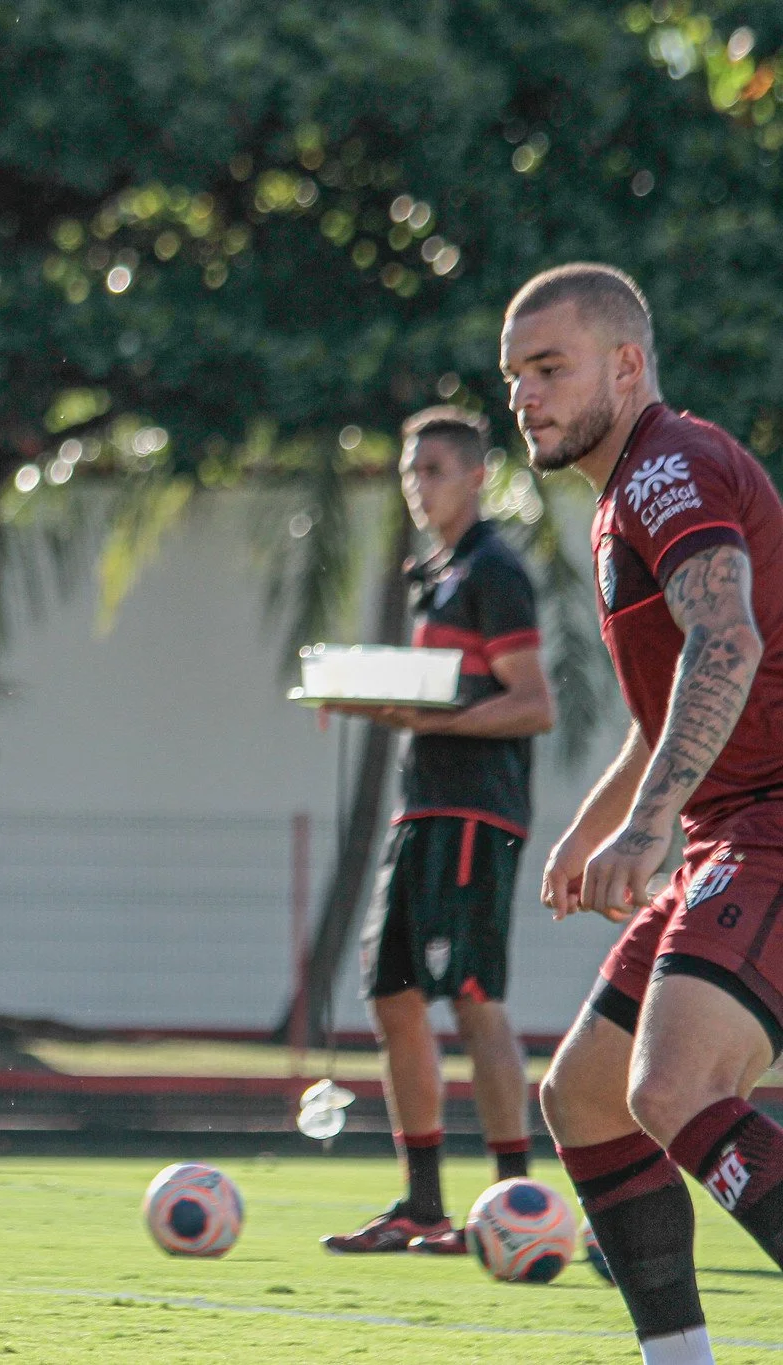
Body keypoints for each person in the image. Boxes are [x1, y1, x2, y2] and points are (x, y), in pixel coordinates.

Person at [517, 264, 783, 1365]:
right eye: (511, 376)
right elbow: (667, 692)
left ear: (624, 366)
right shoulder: (624, 490)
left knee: (670, 1087)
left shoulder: (666, 466)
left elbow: (728, 643)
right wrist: (595, 822)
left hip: (771, 819)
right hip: (736, 827)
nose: (523, 396)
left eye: (548, 367)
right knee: (582, 1097)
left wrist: (644, 832)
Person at [322, 408, 554, 1254]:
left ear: (477, 477)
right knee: (391, 996)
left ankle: (513, 1200)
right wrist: (364, 702)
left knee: (473, 996)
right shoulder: (440, 571)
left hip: (474, 811)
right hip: (418, 809)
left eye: (435, 471)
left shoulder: (495, 570)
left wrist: (420, 718)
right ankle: (422, 1205)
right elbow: (436, 699)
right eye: (412, 472)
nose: (419, 487)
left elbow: (534, 704)